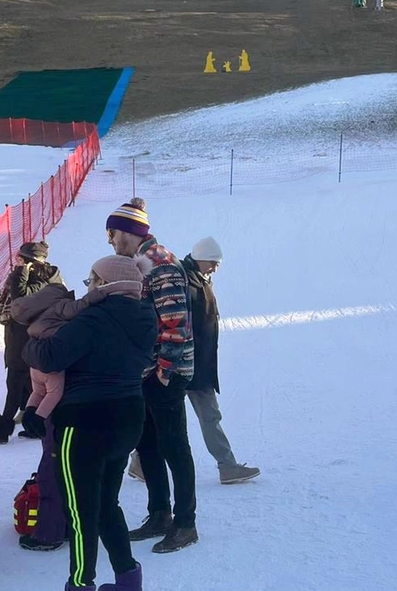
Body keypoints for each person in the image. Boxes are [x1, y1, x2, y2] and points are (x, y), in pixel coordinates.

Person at [23, 255, 157, 591]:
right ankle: (129, 578)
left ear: (105, 282)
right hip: (128, 417)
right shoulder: (145, 316)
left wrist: (29, 343)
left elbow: (49, 357)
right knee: (106, 502)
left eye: (91, 280)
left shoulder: (94, 319)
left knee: (80, 512)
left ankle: (80, 583)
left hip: (83, 424)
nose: (88, 287)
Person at [105, 199, 199, 553]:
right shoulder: (139, 262)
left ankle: (185, 522)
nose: (111, 242)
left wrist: (163, 371)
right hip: (146, 372)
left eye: (113, 234)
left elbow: (176, 322)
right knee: (147, 446)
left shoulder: (161, 264)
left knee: (174, 446)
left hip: (166, 374)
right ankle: (159, 512)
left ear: (128, 232)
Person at [10, 279, 86, 551]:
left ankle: (50, 532)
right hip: (58, 416)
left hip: (64, 417)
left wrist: (38, 416)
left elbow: (54, 391)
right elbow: (39, 389)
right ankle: (66, 524)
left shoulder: (50, 348)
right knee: (62, 472)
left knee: (52, 473)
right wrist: (31, 410)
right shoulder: (38, 347)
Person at [181, 238, 260, 485]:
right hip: (189, 364)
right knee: (208, 417)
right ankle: (227, 466)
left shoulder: (198, 280)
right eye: (213, 263)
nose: (215, 268)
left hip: (196, 363)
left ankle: (139, 463)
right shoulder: (187, 282)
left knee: (166, 416)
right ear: (200, 258)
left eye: (218, 264)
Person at [0, 241, 64, 443]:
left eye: (22, 260)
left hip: (29, 339)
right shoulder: (31, 277)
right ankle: (33, 425)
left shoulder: (43, 281)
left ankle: (2, 429)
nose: (17, 263)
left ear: (32, 262)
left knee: (16, 382)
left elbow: (20, 298)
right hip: (19, 336)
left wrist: (22, 273)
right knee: (27, 385)